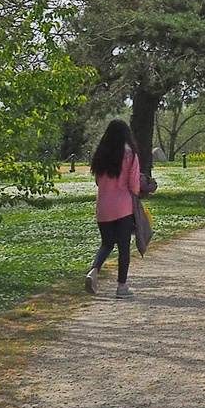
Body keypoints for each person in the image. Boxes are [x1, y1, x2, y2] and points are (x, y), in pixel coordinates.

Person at [86, 119, 142, 295]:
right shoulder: (130, 155)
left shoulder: (100, 156)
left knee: (107, 243)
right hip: (123, 207)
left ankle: (94, 270)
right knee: (123, 247)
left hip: (103, 207)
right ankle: (121, 286)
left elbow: (97, 182)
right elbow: (134, 185)